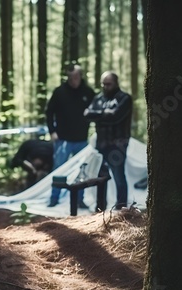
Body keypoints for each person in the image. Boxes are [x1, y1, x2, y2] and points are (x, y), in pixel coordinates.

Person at [46, 64, 95, 208]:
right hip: (62, 139)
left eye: (76, 76)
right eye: (71, 77)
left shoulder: (88, 92)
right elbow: (49, 112)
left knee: (82, 170)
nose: (74, 80)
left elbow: (97, 111)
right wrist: (52, 131)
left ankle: (79, 199)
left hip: (81, 140)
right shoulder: (59, 92)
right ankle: (54, 198)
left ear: (81, 76)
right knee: (59, 169)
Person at [84, 71, 132, 210]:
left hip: (118, 145)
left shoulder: (125, 98)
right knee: (101, 177)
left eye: (108, 84)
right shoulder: (98, 98)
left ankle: (121, 208)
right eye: (103, 84)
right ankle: (100, 207)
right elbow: (87, 114)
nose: (105, 87)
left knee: (118, 176)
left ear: (116, 83)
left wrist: (99, 115)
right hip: (101, 144)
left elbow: (115, 116)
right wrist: (105, 114)